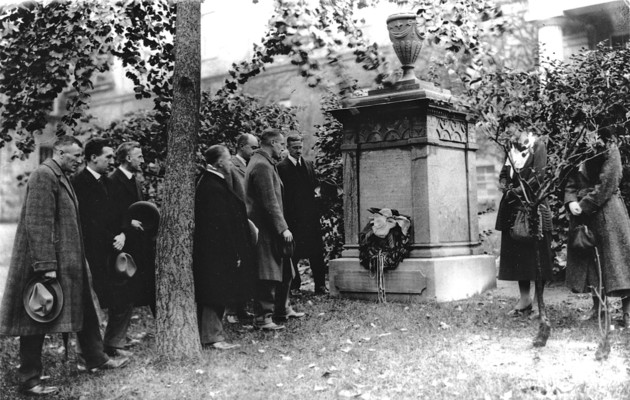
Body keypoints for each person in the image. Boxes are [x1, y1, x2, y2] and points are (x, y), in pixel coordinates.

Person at [0, 136, 128, 396]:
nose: (80, 160)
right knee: (37, 317)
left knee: (86, 308)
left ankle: (96, 359)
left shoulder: (61, 175)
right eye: (76, 155)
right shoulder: (44, 175)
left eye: (82, 156)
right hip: (48, 264)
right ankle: (30, 379)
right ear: (59, 152)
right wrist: (46, 264)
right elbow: (38, 223)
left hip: (69, 262)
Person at [72, 138, 133, 358]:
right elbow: (88, 222)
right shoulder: (79, 183)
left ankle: (114, 343)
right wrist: (112, 238)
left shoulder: (109, 182)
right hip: (91, 253)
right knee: (90, 304)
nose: (112, 161)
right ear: (92, 157)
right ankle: (88, 353)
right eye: (107, 156)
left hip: (114, 250)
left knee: (124, 295)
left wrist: (124, 232)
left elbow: (121, 212)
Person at [564, 127, 630, 327]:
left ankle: (627, 312)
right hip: (584, 215)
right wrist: (570, 200)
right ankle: (598, 308)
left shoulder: (609, 146)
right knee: (591, 262)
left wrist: (583, 205)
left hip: (608, 213)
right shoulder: (577, 147)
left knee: (618, 263)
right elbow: (569, 179)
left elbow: (608, 182)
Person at [193, 145, 256, 349]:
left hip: (216, 250)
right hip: (217, 251)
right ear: (219, 162)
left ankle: (212, 334)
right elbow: (220, 225)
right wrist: (234, 251)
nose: (230, 162)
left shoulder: (211, 182)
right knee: (215, 292)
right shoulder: (211, 186)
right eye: (228, 159)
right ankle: (213, 337)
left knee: (216, 290)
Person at [245, 129, 305, 330]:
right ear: (272, 143)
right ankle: (264, 318)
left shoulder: (263, 162)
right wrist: (283, 228)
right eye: (280, 144)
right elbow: (269, 202)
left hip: (269, 228)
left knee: (285, 270)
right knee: (268, 272)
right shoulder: (261, 165)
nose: (283, 148)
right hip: (265, 229)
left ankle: (282, 309)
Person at [495, 129, 553, 315]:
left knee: (537, 254)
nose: (513, 134)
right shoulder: (511, 148)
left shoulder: (538, 146)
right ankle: (524, 298)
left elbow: (538, 178)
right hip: (512, 209)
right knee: (518, 256)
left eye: (516, 129)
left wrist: (516, 193)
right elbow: (504, 172)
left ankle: (538, 302)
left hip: (533, 206)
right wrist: (504, 184)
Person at [107, 142, 155, 353]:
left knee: (134, 295)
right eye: (139, 156)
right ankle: (113, 343)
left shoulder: (133, 180)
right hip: (123, 249)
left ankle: (118, 340)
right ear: (127, 158)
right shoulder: (112, 182)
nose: (142, 160)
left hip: (138, 247)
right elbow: (108, 215)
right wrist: (127, 224)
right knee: (122, 298)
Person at [277, 134, 328, 295]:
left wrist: (318, 194)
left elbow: (314, 186)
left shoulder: (308, 165)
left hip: (311, 218)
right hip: (293, 219)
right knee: (294, 253)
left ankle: (320, 285)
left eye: (300, 147)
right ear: (288, 148)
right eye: (294, 148)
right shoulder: (281, 168)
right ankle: (294, 286)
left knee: (316, 252)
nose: (298, 151)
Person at [224, 133, 259, 324]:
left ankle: (242, 307)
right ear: (241, 146)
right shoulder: (230, 166)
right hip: (238, 220)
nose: (254, 151)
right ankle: (231, 309)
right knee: (235, 265)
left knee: (247, 265)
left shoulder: (250, 165)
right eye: (252, 148)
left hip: (251, 221)